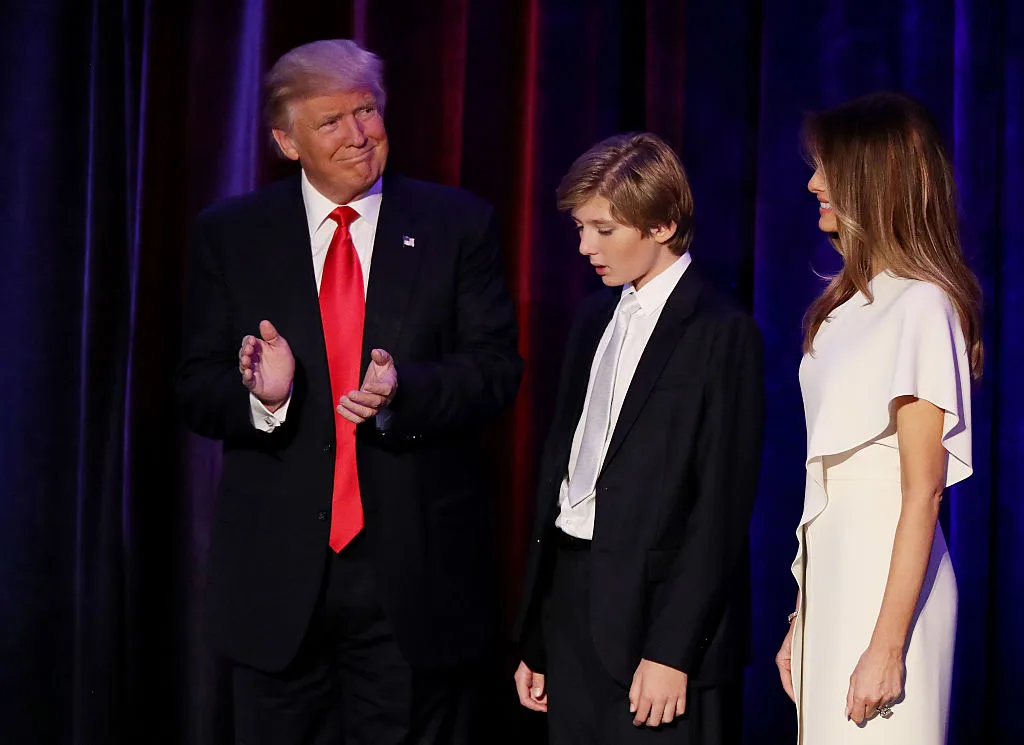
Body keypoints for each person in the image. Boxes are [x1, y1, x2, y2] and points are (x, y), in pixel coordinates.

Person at [175, 39, 522, 745]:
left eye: (367, 110)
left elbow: (494, 370)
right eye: (331, 120)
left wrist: (405, 393)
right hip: (275, 581)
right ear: (285, 139)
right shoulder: (232, 235)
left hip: (409, 577)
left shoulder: (457, 225)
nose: (359, 135)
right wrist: (260, 399)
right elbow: (192, 386)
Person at [513, 132, 764, 745]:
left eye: (603, 230)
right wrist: (538, 636)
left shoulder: (720, 333)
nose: (584, 248)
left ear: (661, 224)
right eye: (579, 229)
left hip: (656, 625)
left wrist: (673, 651)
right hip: (573, 604)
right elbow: (566, 470)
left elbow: (719, 512)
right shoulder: (594, 315)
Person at [776, 92, 982, 743]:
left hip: (891, 587)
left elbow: (922, 490)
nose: (813, 183)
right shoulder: (840, 311)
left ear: (871, 176)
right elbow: (825, 488)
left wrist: (888, 645)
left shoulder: (923, 305)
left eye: (827, 167)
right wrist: (801, 613)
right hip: (833, 573)